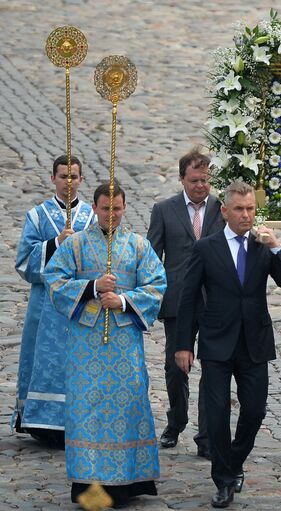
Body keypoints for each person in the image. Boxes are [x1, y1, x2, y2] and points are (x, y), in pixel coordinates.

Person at [175, 181, 281, 508]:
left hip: (254, 342)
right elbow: (187, 299)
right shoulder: (206, 248)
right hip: (216, 342)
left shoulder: (263, 246)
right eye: (240, 209)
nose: (246, 215)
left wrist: (277, 247)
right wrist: (183, 345)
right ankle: (224, 479)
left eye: (251, 209)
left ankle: (234, 459)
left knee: (255, 410)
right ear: (226, 211)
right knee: (215, 416)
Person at [45, 181, 167, 506]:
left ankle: (127, 483)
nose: (111, 214)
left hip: (125, 343)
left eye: (117, 208)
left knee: (127, 406)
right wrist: (92, 287)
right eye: (104, 208)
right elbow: (54, 279)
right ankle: (89, 486)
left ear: (124, 208)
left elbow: (157, 284)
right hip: (86, 345)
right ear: (95, 208)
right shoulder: (76, 245)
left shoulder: (139, 246)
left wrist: (124, 301)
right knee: (88, 410)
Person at [13, 154, 95, 447]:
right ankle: (42, 422)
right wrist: (56, 243)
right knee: (44, 360)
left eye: (74, 177)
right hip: (45, 306)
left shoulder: (92, 216)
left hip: (80, 304)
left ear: (82, 179)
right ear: (53, 179)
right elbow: (23, 263)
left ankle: (80, 419)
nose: (69, 182)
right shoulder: (37, 216)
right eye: (63, 176)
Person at [147, 148, 225, 458]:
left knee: (214, 370)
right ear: (182, 179)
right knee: (175, 367)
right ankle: (176, 421)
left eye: (205, 181)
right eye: (194, 181)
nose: (200, 186)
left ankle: (206, 436)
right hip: (178, 300)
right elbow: (153, 258)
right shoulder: (164, 210)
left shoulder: (222, 209)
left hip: (215, 300)